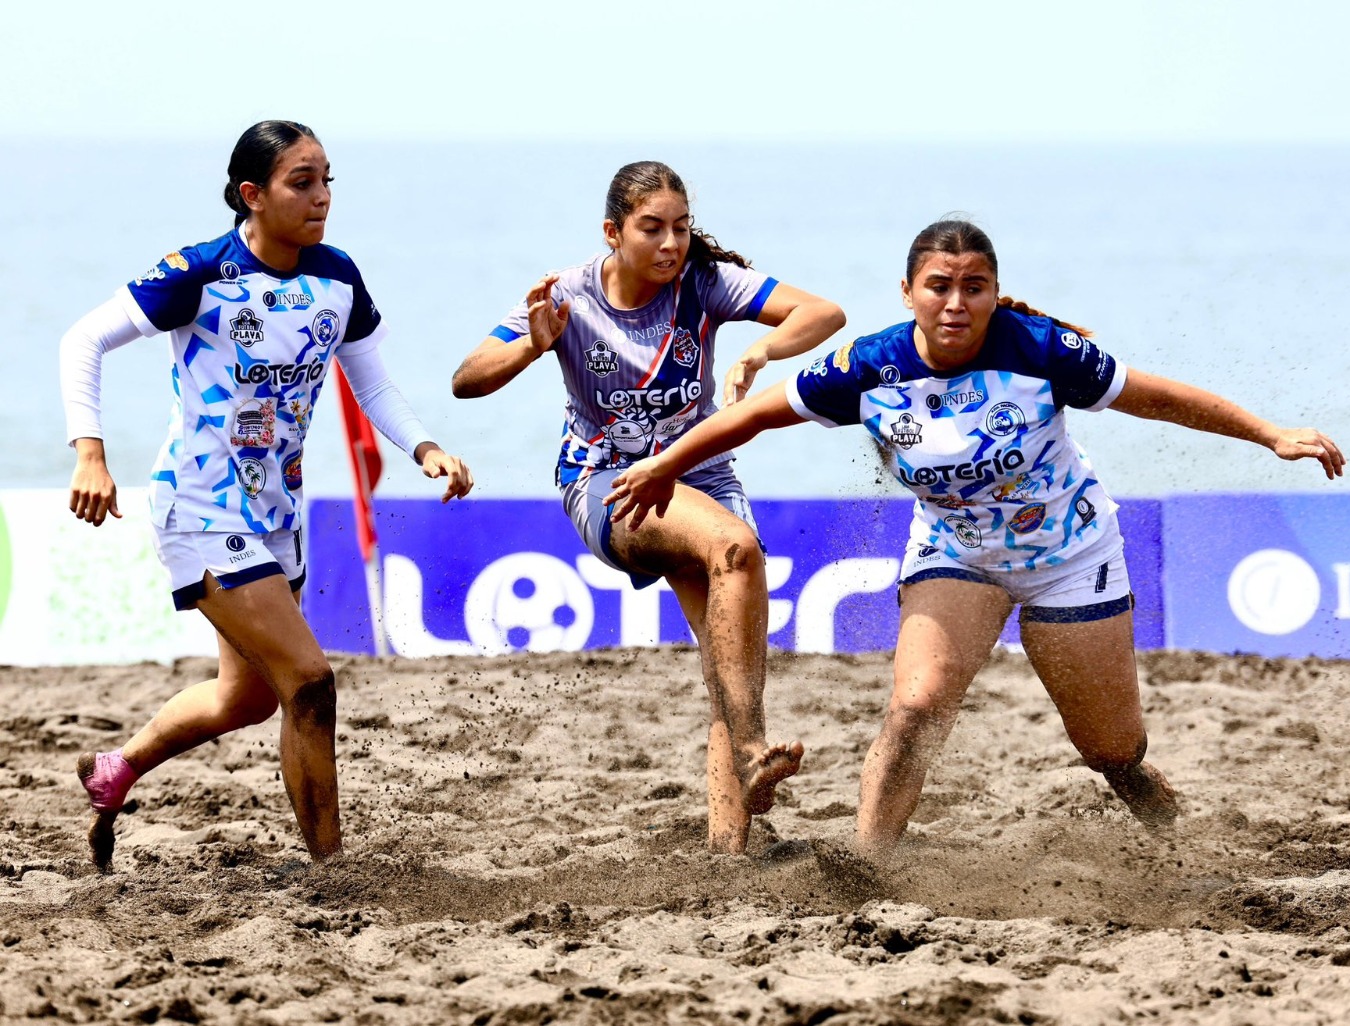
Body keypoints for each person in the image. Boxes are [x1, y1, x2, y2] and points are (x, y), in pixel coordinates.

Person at [605, 218, 1347, 859]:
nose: (956, 304)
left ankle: (1136, 781)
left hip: (1069, 556)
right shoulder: (871, 363)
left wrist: (1269, 433)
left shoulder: (1040, 349)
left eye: (974, 287)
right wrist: (666, 465)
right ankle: (868, 867)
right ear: (907, 292)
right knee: (916, 705)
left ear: (995, 292)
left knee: (1110, 749)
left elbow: (1155, 397)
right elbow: (757, 415)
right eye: (938, 286)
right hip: (956, 551)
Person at [59, 120, 474, 871]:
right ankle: (335, 871)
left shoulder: (337, 277)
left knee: (244, 698)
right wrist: (90, 452)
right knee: (310, 682)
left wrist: (425, 447)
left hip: (276, 511)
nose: (321, 198)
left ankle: (113, 768)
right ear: (253, 195)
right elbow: (82, 340)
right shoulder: (202, 271)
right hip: (199, 503)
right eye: (301, 182)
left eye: (326, 181)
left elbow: (370, 379)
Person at [451, 161, 847, 854]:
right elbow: (466, 380)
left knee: (729, 666)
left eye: (682, 228)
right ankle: (755, 745)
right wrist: (532, 349)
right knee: (736, 549)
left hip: (704, 479)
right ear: (613, 231)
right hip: (609, 483)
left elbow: (824, 314)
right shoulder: (568, 295)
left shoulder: (704, 283)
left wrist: (760, 349)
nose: (671, 244)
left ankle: (727, 857)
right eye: (652, 229)